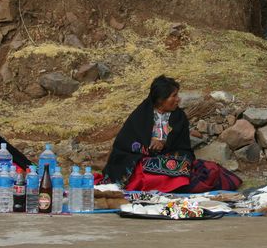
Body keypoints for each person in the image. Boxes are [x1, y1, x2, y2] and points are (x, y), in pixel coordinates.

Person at [102, 75, 242, 193]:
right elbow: (124, 145)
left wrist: (164, 143)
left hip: (170, 159)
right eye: (173, 96)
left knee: (195, 167)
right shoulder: (140, 116)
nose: (178, 99)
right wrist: (148, 145)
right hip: (141, 161)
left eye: (177, 95)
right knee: (150, 168)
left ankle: (171, 182)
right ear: (160, 99)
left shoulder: (178, 117)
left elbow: (183, 147)